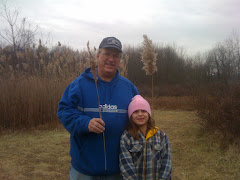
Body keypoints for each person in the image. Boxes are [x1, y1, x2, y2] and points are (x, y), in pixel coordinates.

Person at [57, 37, 139, 180]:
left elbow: (140, 117)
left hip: (120, 169)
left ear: (120, 60)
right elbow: (64, 111)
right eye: (107, 54)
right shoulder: (79, 84)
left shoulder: (129, 88)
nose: (111, 59)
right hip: (84, 170)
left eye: (116, 56)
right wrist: (85, 123)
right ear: (98, 56)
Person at [119, 95, 172, 180]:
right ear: (131, 115)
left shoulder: (161, 136)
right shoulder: (126, 137)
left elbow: (167, 163)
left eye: (143, 111)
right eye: (136, 112)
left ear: (149, 113)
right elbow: (126, 166)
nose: (140, 114)